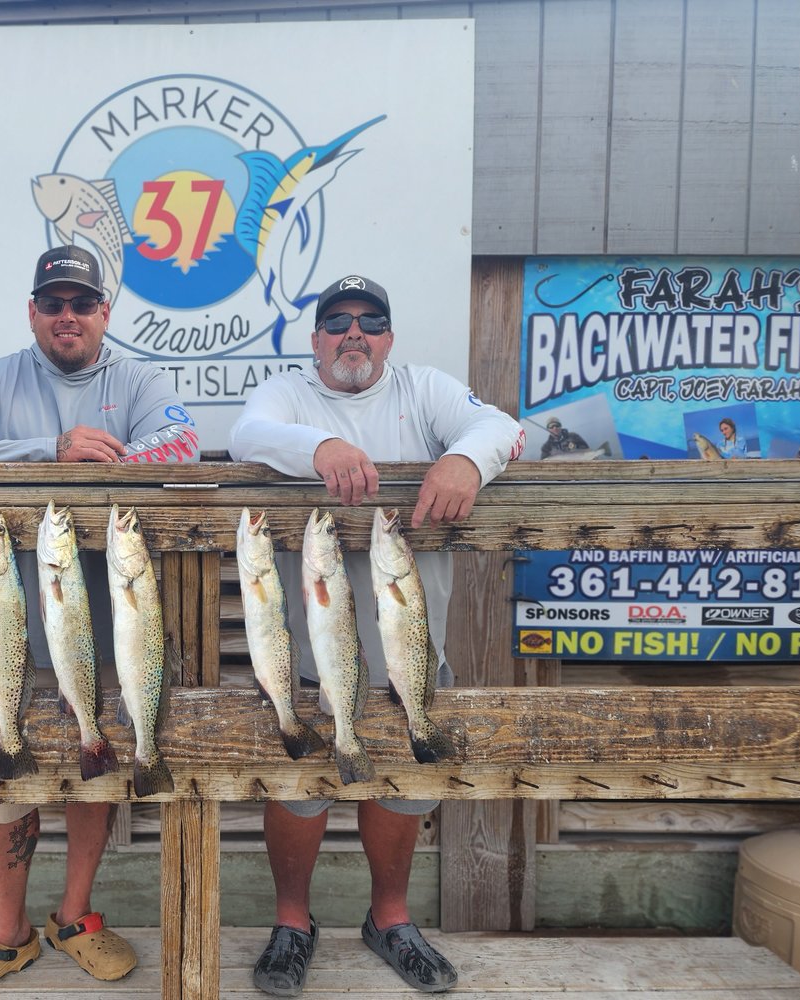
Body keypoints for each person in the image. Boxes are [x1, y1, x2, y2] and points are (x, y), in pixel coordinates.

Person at [0, 244, 199, 1000]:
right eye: (52, 303)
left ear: (106, 312)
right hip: (14, 633)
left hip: (117, 631)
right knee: (6, 781)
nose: (67, 317)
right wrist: (50, 453)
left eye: (81, 304)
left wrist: (110, 466)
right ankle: (7, 934)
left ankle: (75, 917)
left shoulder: (136, 378)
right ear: (32, 312)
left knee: (89, 766)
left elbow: (180, 446)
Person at [228, 274, 524, 996]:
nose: (352, 333)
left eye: (369, 320)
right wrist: (321, 446)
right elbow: (247, 434)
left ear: (388, 337)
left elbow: (504, 428)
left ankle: (388, 918)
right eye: (336, 322)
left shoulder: (424, 390)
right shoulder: (289, 395)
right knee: (300, 791)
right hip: (307, 662)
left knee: (403, 789)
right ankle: (292, 923)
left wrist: (464, 460)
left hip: (412, 660)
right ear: (315, 339)